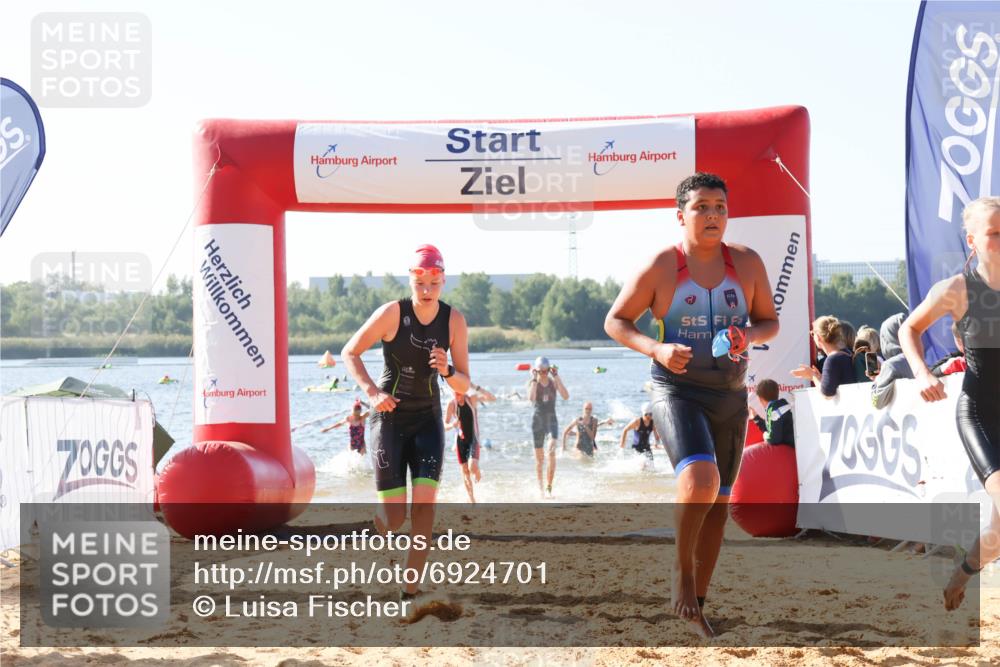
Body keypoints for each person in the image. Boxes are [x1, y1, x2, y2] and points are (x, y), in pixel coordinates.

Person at [604, 172, 779, 637]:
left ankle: (698, 605)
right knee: (701, 480)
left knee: (719, 506)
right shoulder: (663, 265)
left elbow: (769, 322)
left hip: (729, 394)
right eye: (701, 207)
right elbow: (616, 321)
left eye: (720, 207)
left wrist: (747, 335)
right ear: (681, 215)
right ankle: (681, 573)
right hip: (677, 390)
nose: (712, 215)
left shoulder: (747, 262)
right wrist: (656, 348)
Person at [341, 244, 470, 604]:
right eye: (420, 283)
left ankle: (408, 592)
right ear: (411, 280)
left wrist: (447, 370)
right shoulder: (391, 314)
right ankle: (380, 520)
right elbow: (350, 352)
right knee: (395, 519)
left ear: (443, 281)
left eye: (434, 284)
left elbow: (464, 384)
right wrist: (371, 392)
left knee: (424, 511)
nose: (427, 290)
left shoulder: (454, 321)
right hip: (389, 420)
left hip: (428, 421)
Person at [899, 197, 1000, 611]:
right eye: (994, 233)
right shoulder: (957, 289)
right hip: (980, 414)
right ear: (971, 240)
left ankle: (963, 572)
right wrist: (922, 373)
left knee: (999, 531)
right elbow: (909, 328)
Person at [444, 385, 496, 503]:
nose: (457, 395)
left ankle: (477, 470)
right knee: (465, 472)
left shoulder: (471, 399)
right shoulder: (451, 404)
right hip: (460, 441)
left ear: (464, 391)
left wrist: (475, 387)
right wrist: (452, 425)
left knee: (472, 468)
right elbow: (444, 425)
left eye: (460, 393)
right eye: (455, 393)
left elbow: (492, 398)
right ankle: (472, 500)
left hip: (473, 439)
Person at [528, 356, 569, 497]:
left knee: (551, 451)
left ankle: (549, 487)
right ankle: (540, 490)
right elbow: (531, 399)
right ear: (536, 371)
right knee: (540, 460)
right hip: (537, 422)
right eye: (540, 371)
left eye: (546, 371)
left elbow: (566, 396)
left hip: (551, 420)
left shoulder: (553, 382)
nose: (543, 374)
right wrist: (534, 379)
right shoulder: (533, 383)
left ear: (549, 370)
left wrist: (556, 376)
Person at [791, 316, 858, 398]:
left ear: (818, 337)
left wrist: (813, 376)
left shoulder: (832, 359)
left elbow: (827, 394)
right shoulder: (847, 353)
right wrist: (819, 377)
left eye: (812, 334)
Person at [748, 379, 794, 447]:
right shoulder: (778, 406)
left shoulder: (774, 410)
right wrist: (756, 417)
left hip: (795, 449)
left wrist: (765, 435)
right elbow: (772, 429)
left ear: (760, 399)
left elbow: (774, 439)